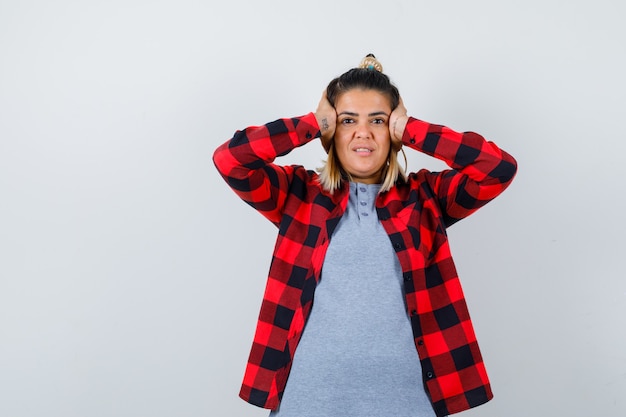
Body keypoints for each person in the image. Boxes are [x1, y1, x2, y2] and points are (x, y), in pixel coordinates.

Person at [213, 54, 517, 417]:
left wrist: (410, 128)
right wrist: (315, 122)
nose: (363, 132)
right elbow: (231, 160)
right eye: (347, 121)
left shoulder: (427, 199)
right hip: (309, 400)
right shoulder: (297, 194)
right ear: (331, 132)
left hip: (407, 401)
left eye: (378, 120)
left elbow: (498, 168)